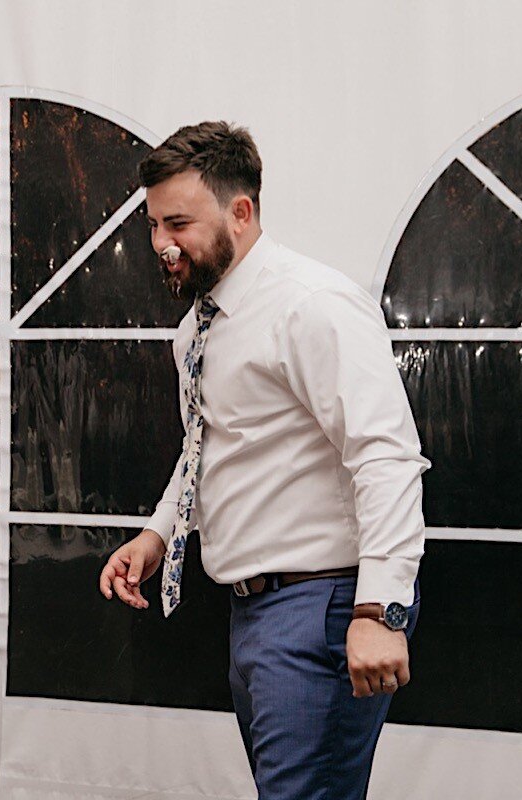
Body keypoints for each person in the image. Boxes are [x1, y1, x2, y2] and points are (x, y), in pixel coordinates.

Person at [98, 122, 428, 799]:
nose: (162, 244)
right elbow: (207, 445)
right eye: (155, 224)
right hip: (253, 615)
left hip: (325, 606)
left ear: (240, 212)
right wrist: (158, 535)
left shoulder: (311, 305)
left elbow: (386, 456)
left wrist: (380, 611)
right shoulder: (198, 326)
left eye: (179, 222)